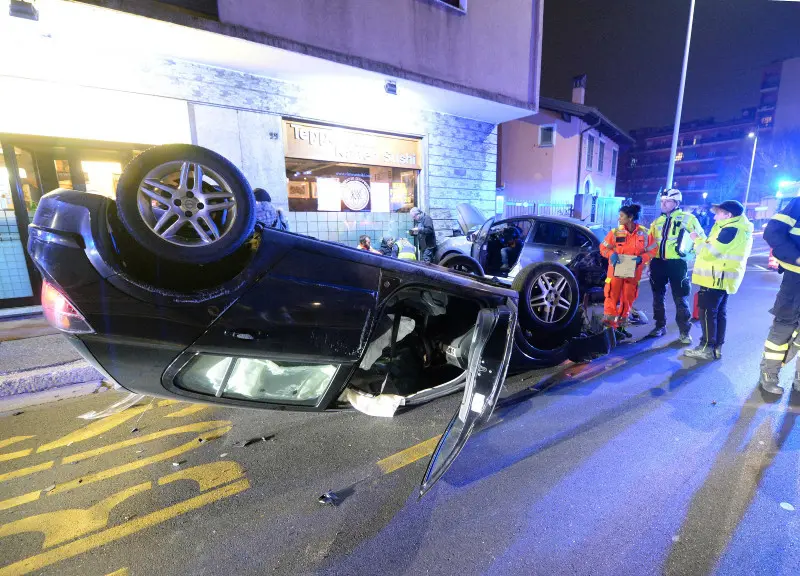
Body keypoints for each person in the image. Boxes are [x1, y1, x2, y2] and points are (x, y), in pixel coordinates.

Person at [684, 200, 753, 360]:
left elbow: (709, 253)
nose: (714, 217)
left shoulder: (730, 230)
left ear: (728, 215)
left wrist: (696, 239)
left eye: (718, 214)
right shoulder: (735, 228)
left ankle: (706, 347)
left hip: (715, 278)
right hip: (721, 278)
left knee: (707, 313)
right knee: (719, 313)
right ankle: (716, 347)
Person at [645, 188, 706, 344]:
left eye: (667, 201)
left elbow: (700, 240)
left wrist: (687, 256)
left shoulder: (688, 219)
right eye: (662, 201)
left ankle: (684, 332)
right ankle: (660, 326)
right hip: (658, 263)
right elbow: (650, 244)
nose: (663, 204)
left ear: (676, 203)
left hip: (677, 264)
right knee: (657, 297)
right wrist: (648, 263)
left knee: (680, 298)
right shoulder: (657, 221)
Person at [758, 196, 800, 394]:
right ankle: (769, 373)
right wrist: (796, 257)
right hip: (796, 280)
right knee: (784, 327)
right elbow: (773, 232)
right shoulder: (798, 204)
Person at [599, 204, 657, 338]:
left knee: (627, 299)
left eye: (621, 216)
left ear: (630, 218)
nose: (619, 218)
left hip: (632, 272)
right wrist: (611, 254)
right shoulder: (614, 233)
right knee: (611, 297)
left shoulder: (645, 233)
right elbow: (603, 248)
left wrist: (641, 258)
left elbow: (653, 250)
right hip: (615, 272)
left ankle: (621, 328)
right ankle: (609, 330)